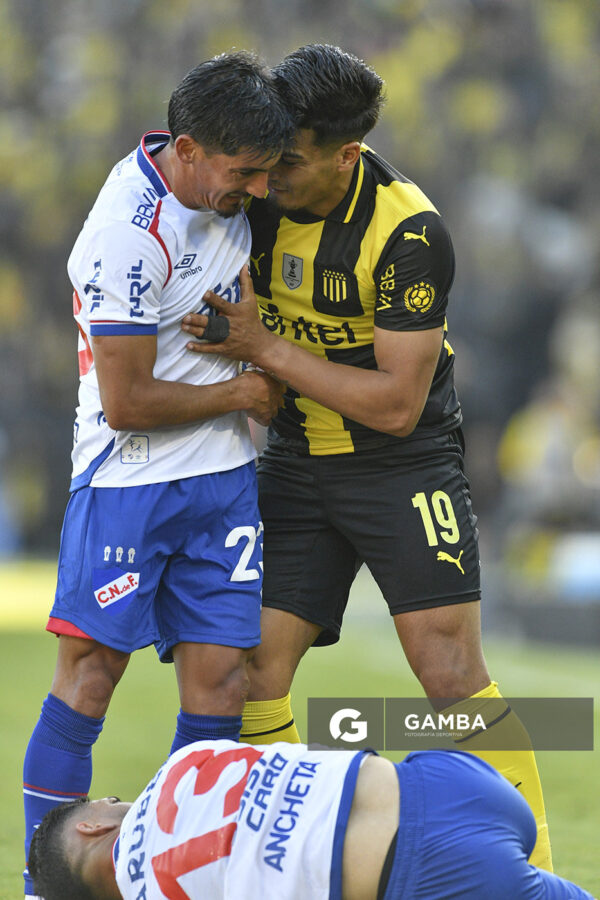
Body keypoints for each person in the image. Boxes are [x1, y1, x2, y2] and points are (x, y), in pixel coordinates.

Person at [181, 44, 552, 870]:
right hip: (296, 463)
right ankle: (264, 866)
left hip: (403, 465)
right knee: (251, 669)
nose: (270, 180)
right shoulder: (253, 199)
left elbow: (395, 405)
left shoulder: (409, 232)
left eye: (290, 163)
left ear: (347, 155)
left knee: (448, 669)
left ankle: (532, 869)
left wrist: (264, 349)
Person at [22, 51, 292, 898]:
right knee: (92, 679)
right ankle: (46, 878)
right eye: (241, 172)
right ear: (187, 147)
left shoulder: (230, 192)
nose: (250, 189)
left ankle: (186, 878)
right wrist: (248, 387)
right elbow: (128, 399)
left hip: (223, 484)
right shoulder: (126, 235)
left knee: (222, 684)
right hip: (128, 484)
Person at [28, 741, 595, 900]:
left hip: (430, 874)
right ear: (92, 826)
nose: (114, 800)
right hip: (457, 779)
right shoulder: (180, 765)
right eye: (104, 801)